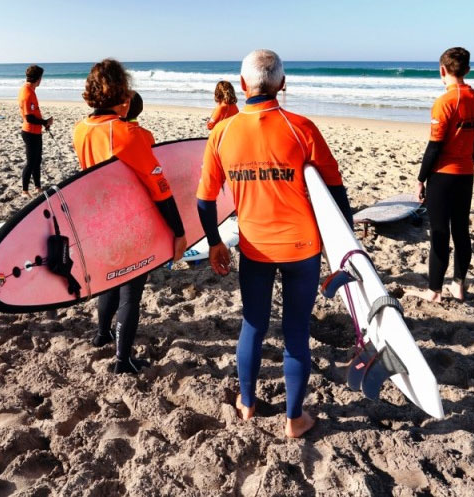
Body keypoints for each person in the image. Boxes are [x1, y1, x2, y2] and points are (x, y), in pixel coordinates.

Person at [196, 49, 354, 439]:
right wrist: (345, 251)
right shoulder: (302, 127)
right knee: (296, 330)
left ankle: (247, 404)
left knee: (252, 324)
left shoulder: (223, 131)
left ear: (243, 83)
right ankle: (294, 419)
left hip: (255, 249)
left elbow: (204, 199)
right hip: (302, 248)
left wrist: (215, 242)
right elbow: (336, 193)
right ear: (282, 84)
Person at [73, 59, 188, 374]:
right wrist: (179, 231)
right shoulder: (127, 134)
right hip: (127, 224)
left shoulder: (81, 128)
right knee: (130, 292)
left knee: (109, 281)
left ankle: (101, 334)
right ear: (120, 93)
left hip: (97, 221)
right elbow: (160, 188)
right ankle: (122, 361)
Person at [414, 47, 474, 303]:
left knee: (439, 233)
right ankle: (458, 285)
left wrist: (421, 178)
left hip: (442, 177)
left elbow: (434, 146)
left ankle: (434, 290)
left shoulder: (444, 102)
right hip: (466, 175)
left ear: (442, 71)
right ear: (467, 70)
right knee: (461, 231)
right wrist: (467, 163)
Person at [18, 65, 53, 196]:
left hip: (36, 132)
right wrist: (45, 122)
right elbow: (29, 118)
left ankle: (37, 187)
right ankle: (24, 190)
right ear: (38, 78)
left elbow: (34, 114)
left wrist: (44, 123)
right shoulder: (26, 92)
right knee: (31, 162)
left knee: (37, 160)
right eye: (41, 78)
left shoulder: (30, 90)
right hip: (29, 132)